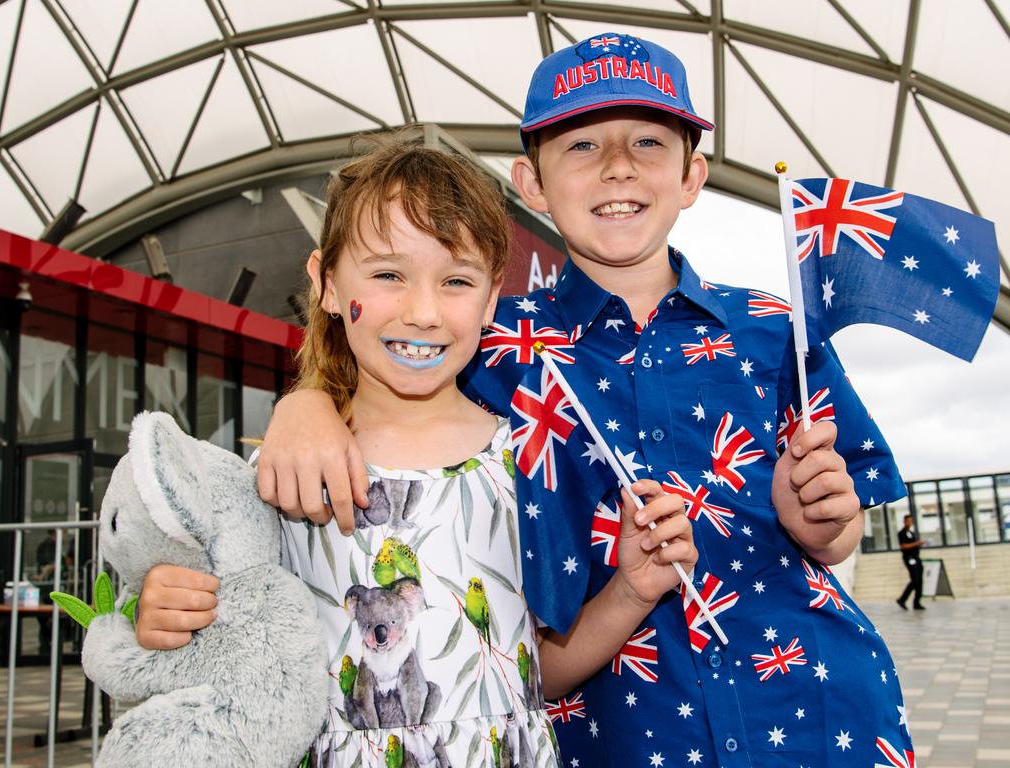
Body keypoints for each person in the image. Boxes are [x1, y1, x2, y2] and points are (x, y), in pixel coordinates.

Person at [253, 33, 916, 767]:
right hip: (627, 740)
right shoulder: (492, 344)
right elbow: (387, 377)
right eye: (581, 146)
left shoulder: (777, 333)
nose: (618, 165)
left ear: (693, 176)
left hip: (818, 722)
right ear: (531, 185)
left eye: (647, 142)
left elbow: (842, 531)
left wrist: (824, 524)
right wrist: (305, 403)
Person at [134, 138, 699, 766]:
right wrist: (167, 609)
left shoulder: (531, 464)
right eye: (386, 274)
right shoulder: (284, 472)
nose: (423, 311)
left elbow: (536, 671)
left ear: (491, 302)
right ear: (324, 283)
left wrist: (631, 590)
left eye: (456, 280)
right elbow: (225, 640)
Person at [897, 514, 926, 610]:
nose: (910, 522)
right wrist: (916, 543)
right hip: (909, 558)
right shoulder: (902, 533)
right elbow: (903, 546)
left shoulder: (912, 532)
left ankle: (917, 602)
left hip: (916, 558)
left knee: (920, 580)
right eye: (908, 521)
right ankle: (902, 599)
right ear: (905, 522)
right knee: (915, 580)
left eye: (911, 521)